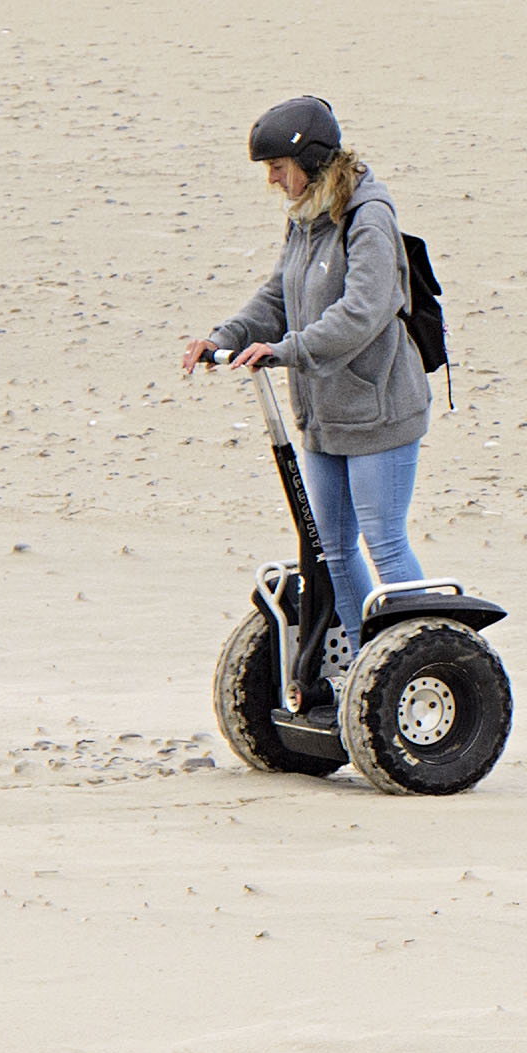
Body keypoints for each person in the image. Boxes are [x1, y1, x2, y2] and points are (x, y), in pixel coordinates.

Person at [181, 95, 431, 699]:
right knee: (330, 550)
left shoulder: (368, 218)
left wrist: (286, 351)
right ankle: (365, 673)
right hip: (322, 413)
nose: (270, 179)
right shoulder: (306, 215)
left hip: (378, 410)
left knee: (383, 539)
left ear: (311, 160)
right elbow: (278, 296)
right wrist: (225, 337)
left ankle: (422, 664)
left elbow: (364, 312)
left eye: (275, 166)